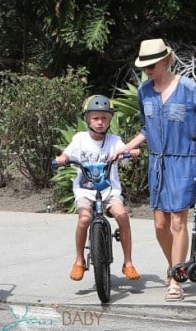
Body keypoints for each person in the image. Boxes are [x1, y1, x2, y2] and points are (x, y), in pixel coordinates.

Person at [112, 38, 196, 302]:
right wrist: (125, 147)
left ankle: (176, 279)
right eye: (144, 66)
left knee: (177, 222)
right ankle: (174, 265)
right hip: (158, 162)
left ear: (165, 60)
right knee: (160, 225)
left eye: (152, 64)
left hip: (184, 160)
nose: (148, 70)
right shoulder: (144, 92)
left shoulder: (187, 87)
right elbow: (146, 128)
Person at [55, 95, 140, 283]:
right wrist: (62, 158)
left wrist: (131, 153)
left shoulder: (114, 140)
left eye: (104, 118)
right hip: (85, 191)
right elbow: (67, 153)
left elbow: (125, 152)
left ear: (110, 120)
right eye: (95, 118)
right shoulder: (79, 139)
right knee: (84, 219)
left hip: (109, 191)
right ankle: (79, 260)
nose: (100, 122)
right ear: (87, 119)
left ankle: (128, 262)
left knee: (122, 216)